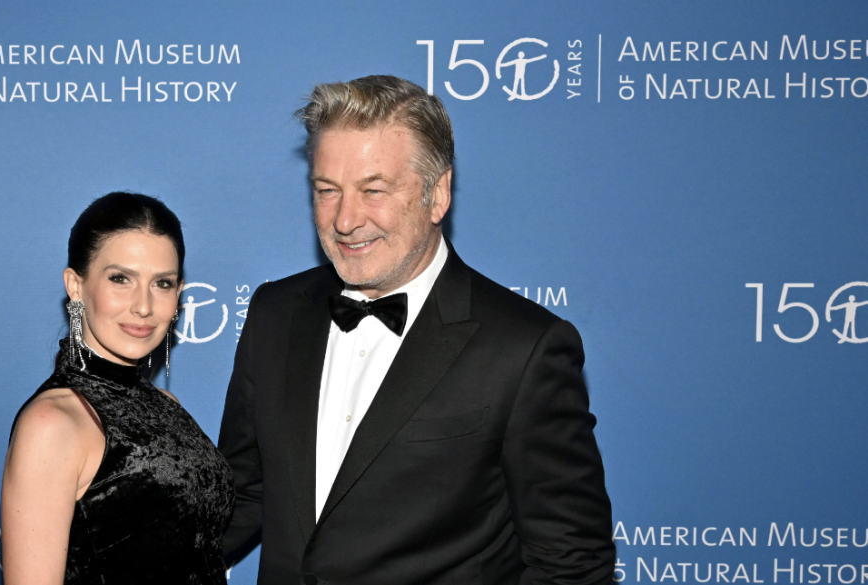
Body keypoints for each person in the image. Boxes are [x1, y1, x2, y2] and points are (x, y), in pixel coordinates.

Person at [218, 75, 614, 584]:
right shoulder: (275, 313)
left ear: (438, 193)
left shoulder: (523, 349)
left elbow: (571, 565)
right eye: (327, 190)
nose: (344, 219)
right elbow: (242, 494)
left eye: (374, 190)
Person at [2, 192, 234, 585]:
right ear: (76, 286)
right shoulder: (53, 423)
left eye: (162, 283)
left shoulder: (166, 404)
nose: (143, 305)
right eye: (120, 279)